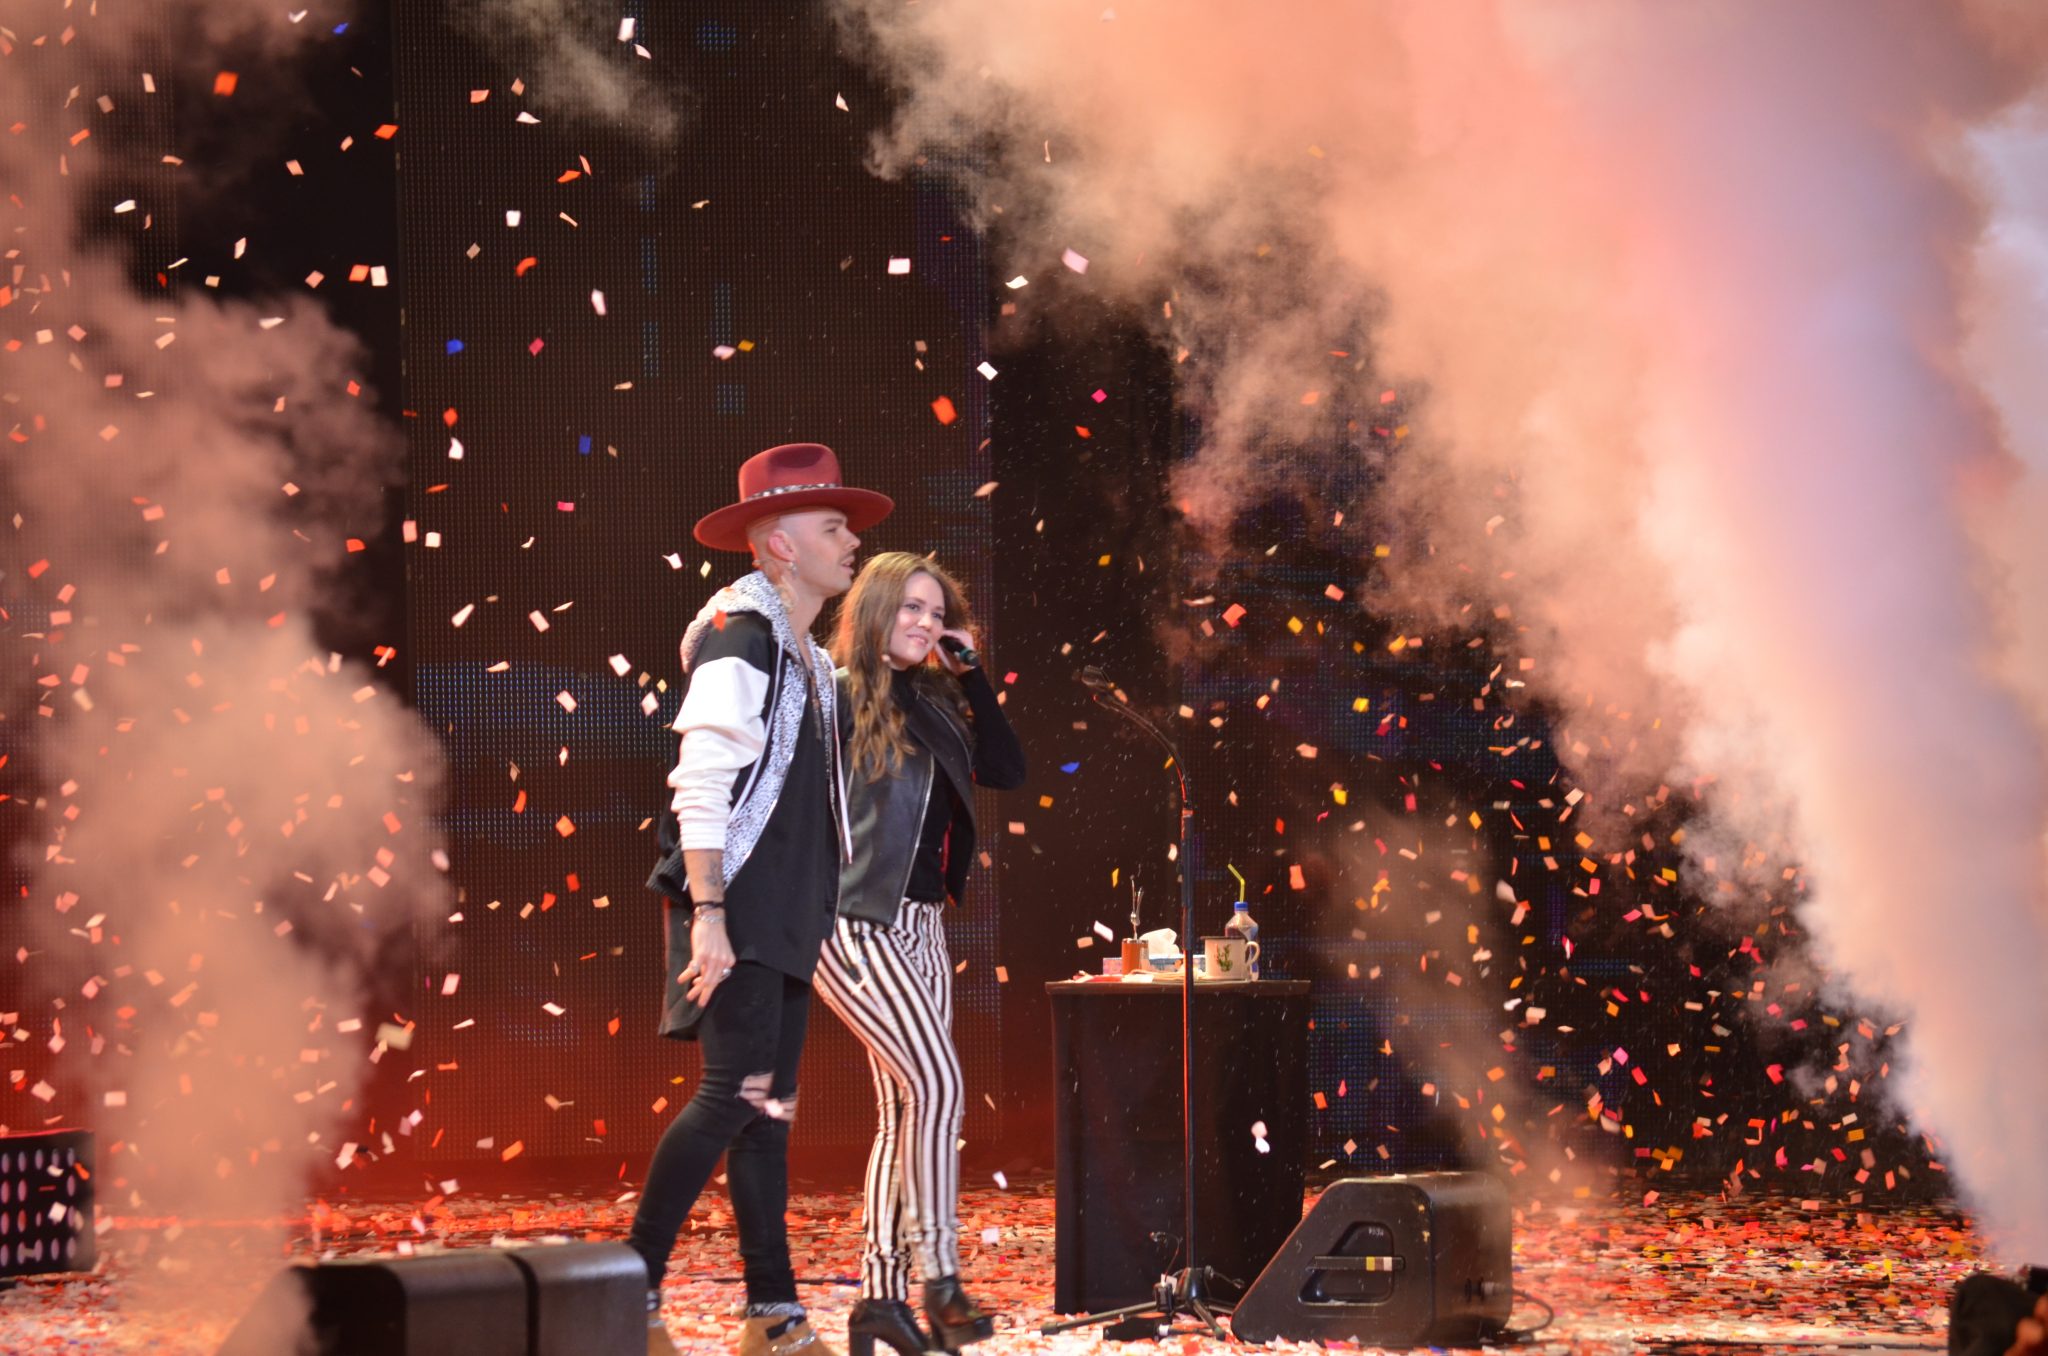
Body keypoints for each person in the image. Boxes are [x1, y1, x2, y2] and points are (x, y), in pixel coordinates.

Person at [632, 443, 892, 1356]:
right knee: (731, 1096)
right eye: (833, 527)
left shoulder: (804, 654)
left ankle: (773, 1315)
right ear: (781, 543)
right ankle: (629, 1293)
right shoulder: (742, 634)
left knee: (766, 1112)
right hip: (735, 899)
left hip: (781, 906)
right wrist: (710, 916)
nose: (852, 541)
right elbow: (701, 779)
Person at [812, 552, 1028, 1356]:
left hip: (921, 924)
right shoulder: (831, 693)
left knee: (906, 1108)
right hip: (849, 918)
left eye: (937, 613)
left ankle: (879, 1300)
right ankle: (940, 1278)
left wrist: (971, 674)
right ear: (874, 609)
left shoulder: (937, 701)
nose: (925, 623)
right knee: (937, 1082)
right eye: (911, 608)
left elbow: (1006, 767)